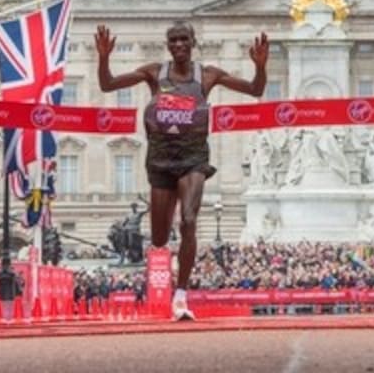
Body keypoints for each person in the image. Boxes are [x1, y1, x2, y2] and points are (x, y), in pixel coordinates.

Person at [95, 20, 268, 320]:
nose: (178, 45)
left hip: (193, 158)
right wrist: (103, 58)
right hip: (161, 159)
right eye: (173, 40)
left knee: (189, 220)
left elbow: (254, 89)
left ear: (192, 42)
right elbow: (107, 84)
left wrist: (261, 67)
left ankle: (181, 294)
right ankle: (172, 255)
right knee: (160, 238)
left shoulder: (208, 75)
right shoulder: (154, 73)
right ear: (168, 45)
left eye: (183, 39)